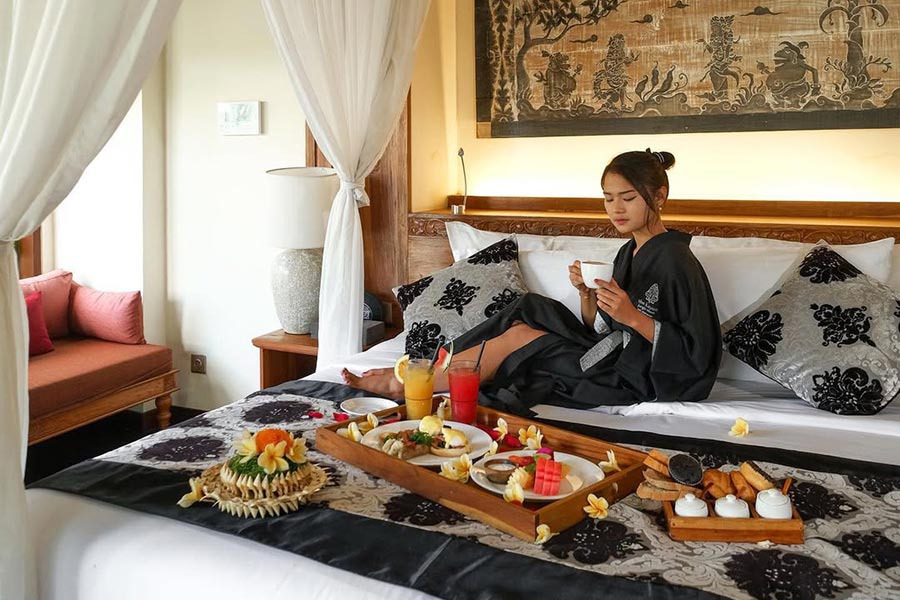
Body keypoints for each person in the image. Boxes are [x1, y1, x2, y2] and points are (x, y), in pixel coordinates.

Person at [342, 149, 722, 414]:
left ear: (659, 196)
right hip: (611, 351)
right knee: (529, 308)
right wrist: (587, 297)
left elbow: (699, 355)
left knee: (522, 337)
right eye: (608, 199)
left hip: (636, 376)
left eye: (628, 198)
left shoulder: (677, 261)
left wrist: (633, 317)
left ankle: (413, 380)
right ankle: (431, 366)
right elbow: (604, 327)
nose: (616, 209)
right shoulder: (628, 252)